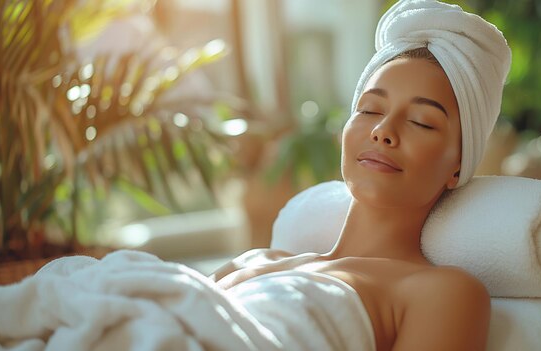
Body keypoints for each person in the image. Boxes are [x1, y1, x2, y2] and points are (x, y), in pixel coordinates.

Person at [211, 0, 511, 350]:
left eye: (421, 122)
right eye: (369, 109)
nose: (383, 131)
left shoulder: (441, 292)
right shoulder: (256, 260)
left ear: (458, 165)